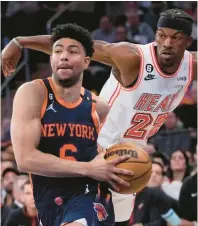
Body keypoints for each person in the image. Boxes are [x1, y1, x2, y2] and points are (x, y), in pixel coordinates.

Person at [1, 8, 197, 225]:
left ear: (188, 41)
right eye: (162, 35)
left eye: (176, 37)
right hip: (95, 144)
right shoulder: (132, 58)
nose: (167, 43)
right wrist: (21, 42)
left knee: (118, 220)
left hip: (131, 151)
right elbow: (75, 46)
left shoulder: (191, 67)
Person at [4, 24, 134, 226]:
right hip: (48, 202)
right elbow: (25, 159)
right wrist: (88, 168)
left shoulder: (100, 107)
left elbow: (105, 152)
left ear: (86, 61)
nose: (63, 56)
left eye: (72, 51)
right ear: (51, 59)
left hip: (89, 197)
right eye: (57, 51)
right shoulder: (33, 93)